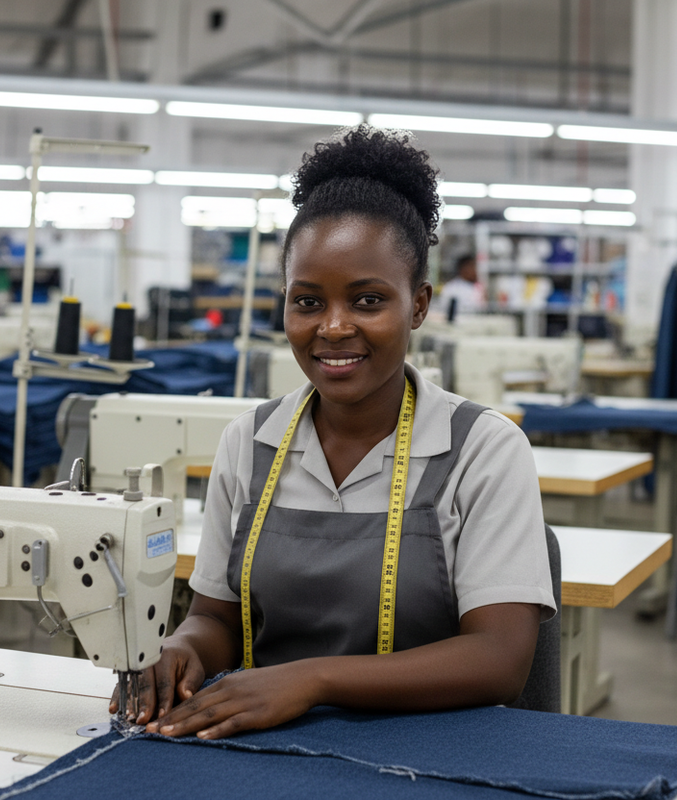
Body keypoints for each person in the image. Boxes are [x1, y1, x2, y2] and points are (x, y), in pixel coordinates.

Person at [114, 125, 555, 739]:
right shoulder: (250, 440)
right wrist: (184, 649)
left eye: (369, 301)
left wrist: (310, 679)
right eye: (308, 302)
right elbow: (217, 615)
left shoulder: (482, 449)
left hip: (435, 748)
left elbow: (499, 659)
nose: (334, 327)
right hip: (268, 741)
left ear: (419, 305)